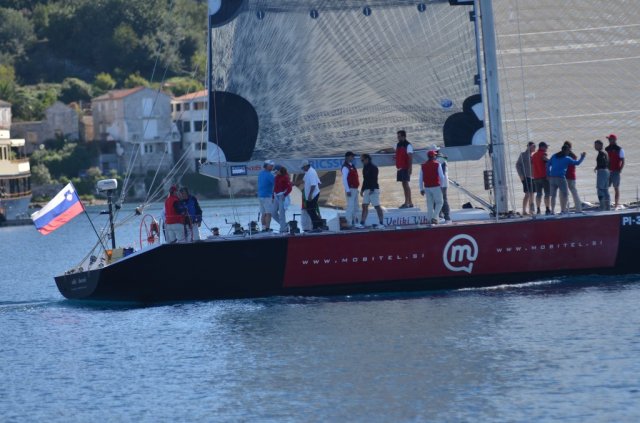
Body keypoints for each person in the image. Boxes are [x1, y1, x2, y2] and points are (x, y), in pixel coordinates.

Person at [546, 145, 586, 214]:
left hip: (552, 178)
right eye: (568, 151)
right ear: (566, 151)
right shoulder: (567, 158)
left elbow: (548, 164)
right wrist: (582, 157)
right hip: (561, 178)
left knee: (553, 196)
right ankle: (563, 211)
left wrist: (548, 174)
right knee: (565, 194)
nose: (569, 152)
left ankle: (552, 211)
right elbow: (577, 163)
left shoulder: (554, 156)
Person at [419, 150, 445, 224]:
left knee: (429, 205)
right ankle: (434, 217)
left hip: (427, 187)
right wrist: (442, 186)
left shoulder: (423, 165)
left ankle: (430, 220)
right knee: (440, 202)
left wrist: (421, 189)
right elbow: (441, 177)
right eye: (435, 155)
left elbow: (420, 179)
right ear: (433, 156)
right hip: (436, 186)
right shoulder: (437, 164)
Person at [359, 154, 384, 228]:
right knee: (364, 206)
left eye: (362, 160)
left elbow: (374, 179)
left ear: (367, 159)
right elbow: (365, 180)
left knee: (377, 206)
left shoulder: (374, 167)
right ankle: (362, 223)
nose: (362, 162)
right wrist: (362, 190)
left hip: (374, 189)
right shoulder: (364, 168)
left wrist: (372, 189)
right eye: (361, 160)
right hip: (367, 189)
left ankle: (381, 223)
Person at [341, 151, 362, 228]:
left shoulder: (352, 166)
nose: (353, 158)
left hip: (355, 189)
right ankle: (349, 223)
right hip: (350, 189)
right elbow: (344, 179)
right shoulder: (345, 167)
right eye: (352, 156)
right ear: (347, 157)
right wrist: (347, 190)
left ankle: (356, 222)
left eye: (353, 156)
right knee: (350, 206)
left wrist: (357, 189)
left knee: (356, 206)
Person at [301, 159, 323, 231]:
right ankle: (319, 224)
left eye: (303, 168)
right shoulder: (308, 172)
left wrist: (310, 195)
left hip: (313, 195)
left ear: (306, 166)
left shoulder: (311, 173)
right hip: (311, 195)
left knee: (311, 210)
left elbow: (313, 185)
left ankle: (317, 226)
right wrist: (293, 184)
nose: (303, 169)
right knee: (310, 210)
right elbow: (303, 180)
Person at [515, 141, 536, 215]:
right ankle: (524, 210)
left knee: (532, 194)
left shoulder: (534, 155)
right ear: (529, 147)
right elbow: (518, 165)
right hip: (526, 177)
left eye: (535, 146)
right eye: (533, 146)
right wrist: (521, 176)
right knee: (527, 194)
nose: (535, 148)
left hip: (534, 177)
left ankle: (531, 210)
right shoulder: (523, 155)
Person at [394, 130, 414, 208]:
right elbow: (392, 149)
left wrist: (410, 168)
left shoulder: (408, 145)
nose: (398, 138)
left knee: (405, 184)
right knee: (404, 184)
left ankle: (407, 202)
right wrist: (383, 150)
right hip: (400, 168)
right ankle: (410, 202)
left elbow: (410, 157)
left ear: (404, 136)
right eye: (398, 136)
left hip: (405, 168)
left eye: (399, 136)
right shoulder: (398, 145)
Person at [432, 145, 451, 223]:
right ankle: (446, 216)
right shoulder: (442, 158)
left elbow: (440, 173)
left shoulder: (439, 160)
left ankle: (443, 216)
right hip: (444, 182)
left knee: (438, 199)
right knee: (443, 198)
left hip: (440, 183)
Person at [605, 134, 625, 208]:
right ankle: (607, 204)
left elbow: (623, 161)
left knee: (616, 188)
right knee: (605, 188)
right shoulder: (606, 149)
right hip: (607, 171)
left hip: (616, 171)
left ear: (615, 140)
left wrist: (620, 170)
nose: (609, 140)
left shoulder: (619, 149)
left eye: (611, 139)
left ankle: (616, 205)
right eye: (609, 139)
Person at [532, 141, 551, 215]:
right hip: (544, 177)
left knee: (538, 194)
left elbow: (532, 165)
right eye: (546, 147)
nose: (547, 148)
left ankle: (538, 209)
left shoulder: (534, 155)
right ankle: (547, 209)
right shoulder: (543, 154)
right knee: (547, 193)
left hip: (536, 177)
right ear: (542, 147)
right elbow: (548, 161)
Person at [562, 141, 582, 212]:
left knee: (563, 193)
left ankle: (564, 209)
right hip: (572, 176)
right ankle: (579, 208)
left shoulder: (563, 156)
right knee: (574, 192)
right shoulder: (574, 156)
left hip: (564, 176)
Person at [273, 166, 293, 233]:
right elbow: (275, 188)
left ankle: (283, 229)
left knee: (282, 213)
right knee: (273, 212)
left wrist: (285, 195)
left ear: (279, 170)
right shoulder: (276, 177)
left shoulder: (285, 177)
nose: (275, 172)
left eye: (276, 171)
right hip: (276, 196)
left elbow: (290, 188)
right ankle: (284, 225)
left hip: (282, 196)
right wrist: (273, 197)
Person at [257, 159, 275, 231]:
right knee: (268, 213)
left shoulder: (261, 173)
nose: (272, 167)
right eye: (271, 166)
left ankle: (263, 229)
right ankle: (267, 228)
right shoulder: (270, 175)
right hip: (267, 196)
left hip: (260, 196)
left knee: (263, 213)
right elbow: (276, 183)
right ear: (267, 166)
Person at [594, 139, 611, 211]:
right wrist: (597, 167)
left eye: (596, 145)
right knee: (605, 190)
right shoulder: (605, 152)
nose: (595, 146)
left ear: (600, 145)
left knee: (600, 189)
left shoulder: (601, 153)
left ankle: (602, 207)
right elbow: (607, 162)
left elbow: (603, 161)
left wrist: (598, 167)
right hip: (607, 171)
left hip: (602, 172)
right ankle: (608, 207)